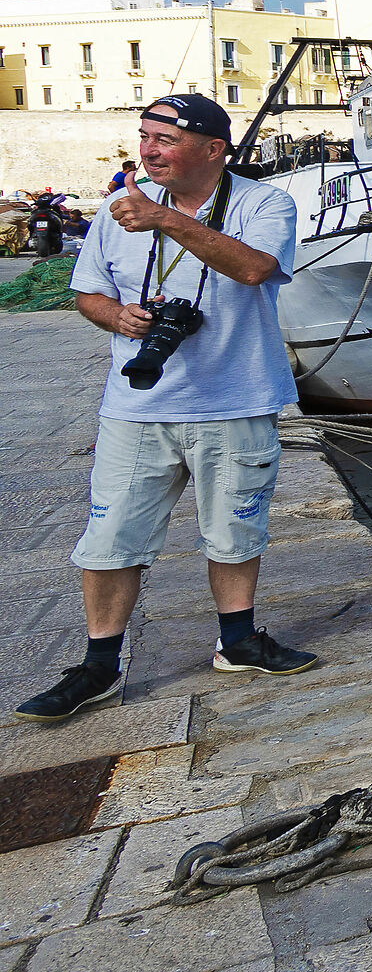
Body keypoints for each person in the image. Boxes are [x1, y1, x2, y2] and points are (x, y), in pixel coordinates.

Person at [20, 95, 314, 727]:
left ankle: (238, 641)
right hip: (135, 407)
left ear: (213, 150)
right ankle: (99, 663)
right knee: (109, 536)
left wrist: (165, 221)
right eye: (144, 137)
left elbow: (256, 268)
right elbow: (87, 292)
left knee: (235, 529)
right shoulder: (115, 212)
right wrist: (117, 315)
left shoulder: (265, 203)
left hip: (235, 400)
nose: (148, 150)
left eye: (164, 140)